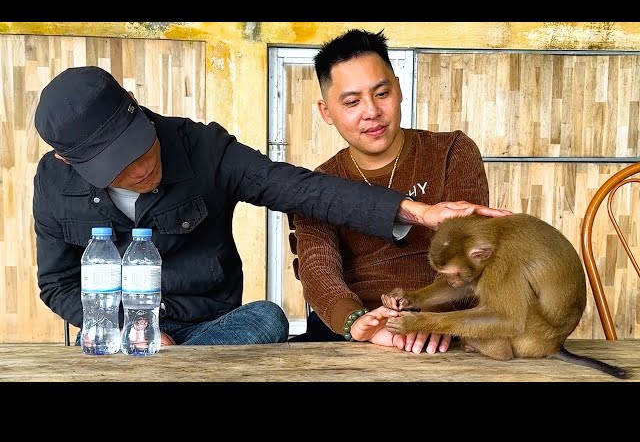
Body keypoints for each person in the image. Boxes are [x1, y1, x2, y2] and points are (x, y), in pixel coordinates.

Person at [33, 65, 508, 348]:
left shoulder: (201, 148)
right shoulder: (53, 185)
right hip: (120, 330)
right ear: (69, 160)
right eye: (117, 166)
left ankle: (180, 371)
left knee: (268, 318)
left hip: (208, 330)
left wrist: (418, 212)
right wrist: (128, 330)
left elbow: (301, 189)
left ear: (137, 108)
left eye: (142, 149)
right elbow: (56, 285)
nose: (138, 170)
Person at [290, 28, 510, 353]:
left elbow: (470, 250)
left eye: (382, 93)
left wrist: (434, 320)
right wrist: (355, 322)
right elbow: (317, 265)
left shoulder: (451, 151)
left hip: (443, 325)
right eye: (352, 102)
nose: (372, 112)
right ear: (326, 112)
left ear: (399, 89)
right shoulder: (319, 184)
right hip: (361, 329)